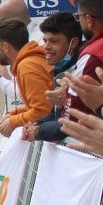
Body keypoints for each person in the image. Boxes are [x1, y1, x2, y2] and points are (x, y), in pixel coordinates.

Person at [24, 11, 84, 143]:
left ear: (73, 43)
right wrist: (35, 124)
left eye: (54, 41)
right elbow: (55, 114)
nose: (46, 47)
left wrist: (39, 131)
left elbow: (70, 123)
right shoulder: (59, 72)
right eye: (45, 41)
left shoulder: (82, 69)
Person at [0, 18, 53, 138]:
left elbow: (43, 110)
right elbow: (40, 106)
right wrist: (15, 114)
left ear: (5, 47)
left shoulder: (27, 67)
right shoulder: (29, 62)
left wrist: (13, 121)